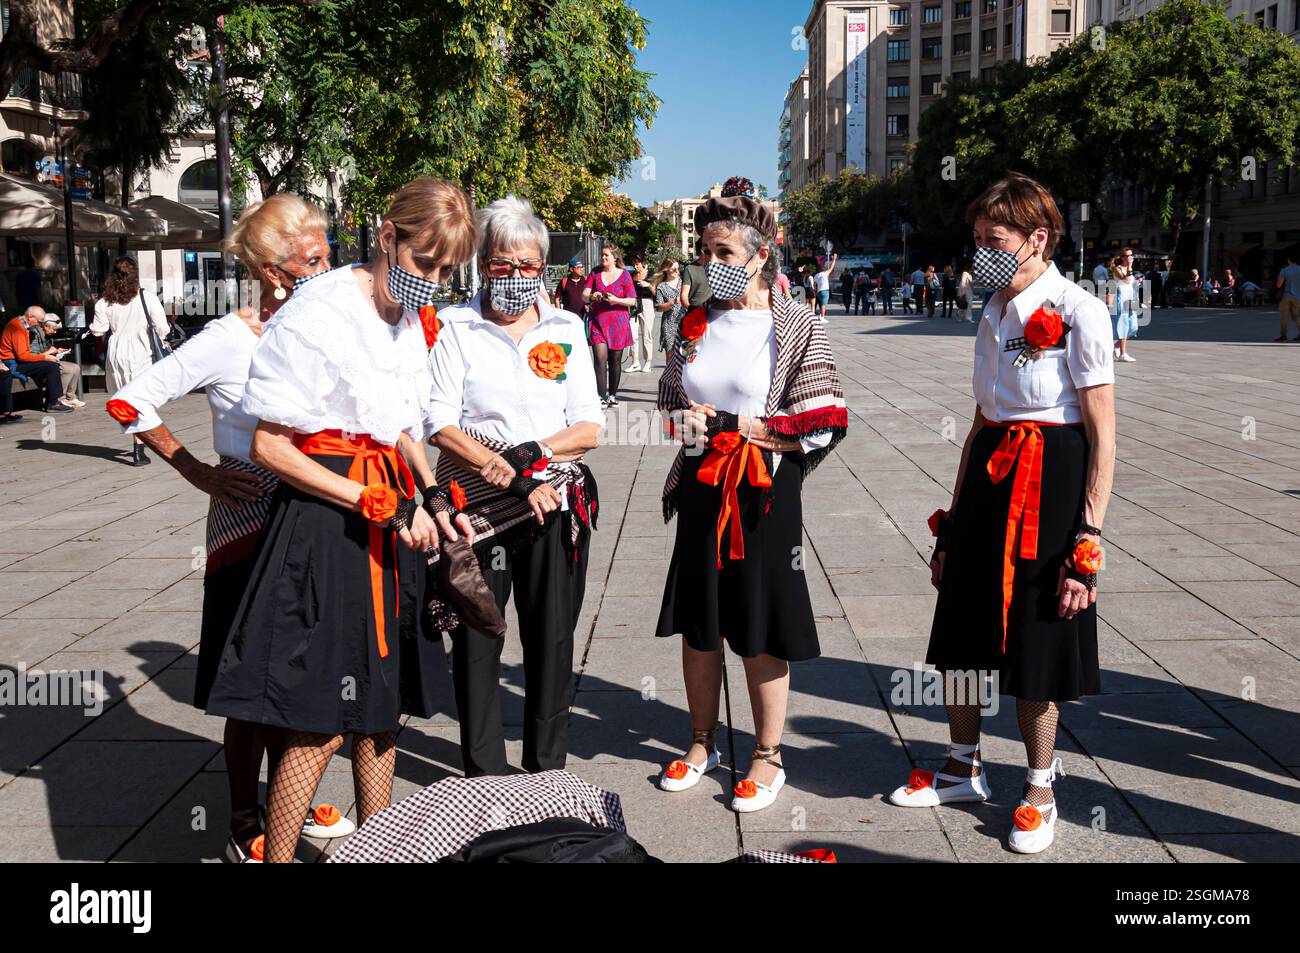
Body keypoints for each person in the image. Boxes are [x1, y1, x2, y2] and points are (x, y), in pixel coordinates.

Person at [205, 178, 478, 864]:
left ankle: (376, 856)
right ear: (387, 236)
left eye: (447, 272)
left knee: (381, 715)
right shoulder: (319, 310)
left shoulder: (411, 319)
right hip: (327, 523)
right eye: (425, 264)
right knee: (319, 717)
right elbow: (270, 445)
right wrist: (366, 500)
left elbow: (403, 426)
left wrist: (435, 498)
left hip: (390, 515)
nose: (434, 282)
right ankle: (277, 857)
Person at [104, 194, 348, 861]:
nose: (330, 270)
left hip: (316, 511)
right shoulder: (229, 337)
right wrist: (198, 471)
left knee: (302, 670)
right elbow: (129, 399)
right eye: (315, 259)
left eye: (329, 256)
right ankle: (247, 820)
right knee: (251, 676)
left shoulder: (325, 328)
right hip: (246, 513)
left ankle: (290, 796)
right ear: (274, 271)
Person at [889, 172, 1116, 857]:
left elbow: (1104, 433)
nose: (979, 252)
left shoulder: (1080, 310)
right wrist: (953, 523)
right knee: (961, 629)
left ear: (1037, 239)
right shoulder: (990, 309)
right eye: (977, 239)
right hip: (991, 475)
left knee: (1036, 644)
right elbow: (983, 420)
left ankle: (1040, 788)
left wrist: (1087, 539)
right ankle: (963, 766)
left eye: (994, 240)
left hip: (1051, 483)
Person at [654, 195, 848, 814]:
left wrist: (746, 426)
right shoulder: (693, 321)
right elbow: (667, 397)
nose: (709, 264)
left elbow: (822, 418)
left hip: (764, 491)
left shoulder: (796, 324)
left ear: (761, 257)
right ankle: (701, 741)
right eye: (704, 253)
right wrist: (683, 418)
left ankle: (768, 754)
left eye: (723, 253)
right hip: (702, 485)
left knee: (762, 618)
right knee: (700, 616)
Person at [427, 195, 604, 777]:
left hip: (553, 506)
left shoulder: (565, 328)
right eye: (504, 264)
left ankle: (546, 768)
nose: (518, 277)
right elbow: (439, 422)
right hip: (477, 508)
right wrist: (503, 467)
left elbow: (589, 424)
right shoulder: (456, 327)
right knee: (479, 639)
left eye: (530, 266)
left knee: (552, 640)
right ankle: (483, 774)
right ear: (482, 263)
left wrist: (538, 455)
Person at [90, 257, 171, 464]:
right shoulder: (146, 298)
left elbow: (99, 330)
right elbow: (163, 328)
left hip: (116, 354)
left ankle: (138, 444)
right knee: (142, 401)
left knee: (123, 401)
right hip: (141, 352)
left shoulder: (104, 302)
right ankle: (139, 447)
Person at [583, 244, 635, 408]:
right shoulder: (595, 273)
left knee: (615, 360)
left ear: (615, 257)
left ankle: (612, 394)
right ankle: (601, 395)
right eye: (602, 255)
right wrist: (592, 296)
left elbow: (632, 300)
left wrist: (616, 300)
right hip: (598, 321)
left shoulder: (625, 275)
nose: (603, 258)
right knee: (599, 358)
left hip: (618, 323)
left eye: (606, 255)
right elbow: (584, 295)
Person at [0, 306, 71, 414]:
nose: (39, 324)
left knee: (50, 365)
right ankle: (53, 403)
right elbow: (22, 356)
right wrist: (45, 356)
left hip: (17, 362)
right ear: (30, 317)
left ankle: (54, 401)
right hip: (11, 364)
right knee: (50, 366)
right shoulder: (17, 327)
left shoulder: (23, 326)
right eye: (39, 321)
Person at [26, 308, 83, 407]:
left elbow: (48, 350)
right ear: (45, 326)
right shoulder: (34, 334)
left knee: (75, 367)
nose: (55, 332)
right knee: (67, 369)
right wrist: (50, 352)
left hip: (45, 362)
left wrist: (57, 351)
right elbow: (33, 356)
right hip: (37, 365)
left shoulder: (42, 335)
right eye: (54, 329)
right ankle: (60, 398)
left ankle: (71, 397)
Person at [1108, 250, 1138, 363]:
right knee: (1123, 325)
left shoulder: (1129, 269)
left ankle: (1115, 346)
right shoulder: (1117, 269)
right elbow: (1125, 280)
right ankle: (1123, 353)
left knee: (1133, 327)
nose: (1130, 257)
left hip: (1131, 298)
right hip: (1121, 298)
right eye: (1127, 256)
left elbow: (1131, 283)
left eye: (1131, 255)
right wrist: (1130, 267)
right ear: (1122, 257)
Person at [628, 254, 656, 373]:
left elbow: (657, 293)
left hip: (647, 303)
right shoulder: (631, 275)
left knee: (647, 334)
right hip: (634, 303)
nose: (635, 266)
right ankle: (635, 362)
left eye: (638, 264)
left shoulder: (651, 275)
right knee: (632, 333)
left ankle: (648, 362)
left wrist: (648, 285)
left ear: (643, 263)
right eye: (634, 264)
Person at [653, 257, 684, 352]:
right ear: (666, 269)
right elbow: (658, 307)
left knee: (685, 355)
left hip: (685, 322)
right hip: (669, 324)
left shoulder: (683, 282)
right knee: (670, 355)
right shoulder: (661, 286)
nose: (677, 271)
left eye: (678, 268)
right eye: (674, 269)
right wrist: (672, 302)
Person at [1275, 252, 1300, 342]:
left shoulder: (1285, 270)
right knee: (1296, 316)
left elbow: (1278, 285)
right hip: (1298, 298)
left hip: (1286, 296)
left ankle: (1283, 336)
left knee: (1283, 317)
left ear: (1288, 260)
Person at [812, 252, 836, 322]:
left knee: (821, 304)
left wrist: (815, 292)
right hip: (825, 291)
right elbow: (831, 267)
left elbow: (814, 285)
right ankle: (822, 317)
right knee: (823, 305)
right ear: (822, 269)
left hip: (818, 292)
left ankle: (820, 316)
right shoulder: (825, 273)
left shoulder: (816, 275)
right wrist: (834, 259)